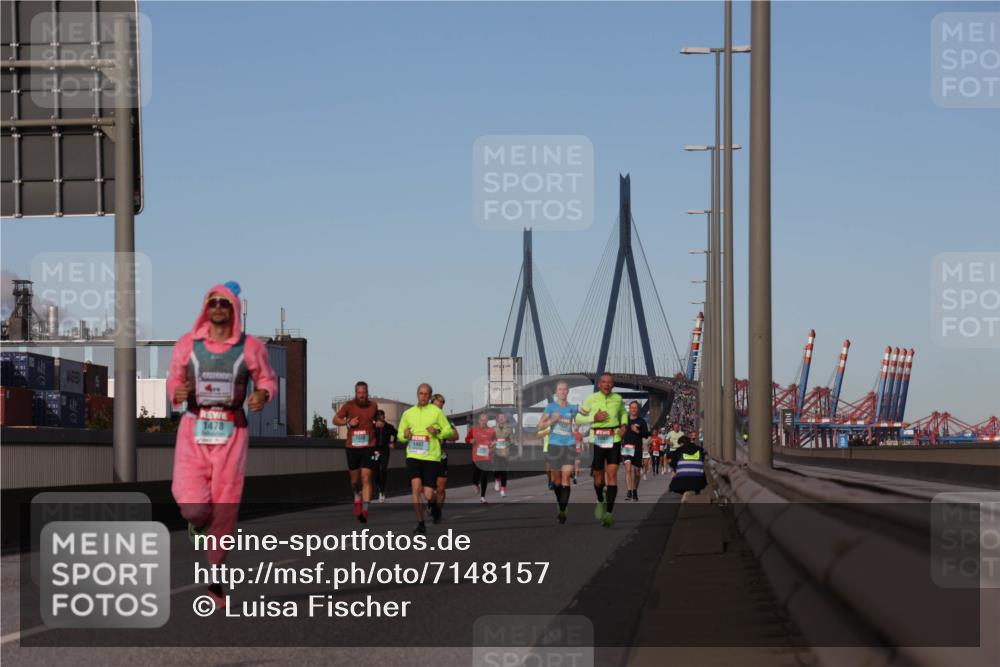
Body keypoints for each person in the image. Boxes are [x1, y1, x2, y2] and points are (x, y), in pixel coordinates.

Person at [168, 281, 277, 608]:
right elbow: (174, 379)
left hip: (232, 431)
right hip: (194, 427)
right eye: (213, 302)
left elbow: (268, 380)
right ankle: (196, 520)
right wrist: (177, 392)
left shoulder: (251, 347)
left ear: (234, 310)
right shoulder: (187, 344)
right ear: (206, 307)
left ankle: (215, 575)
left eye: (224, 303)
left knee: (226, 506)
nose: (218, 307)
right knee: (192, 504)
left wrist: (263, 395)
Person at [397, 384, 454, 534]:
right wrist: (405, 435)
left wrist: (437, 432)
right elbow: (400, 435)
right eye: (420, 394)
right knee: (416, 488)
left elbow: (448, 431)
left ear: (430, 396)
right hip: (413, 455)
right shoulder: (408, 413)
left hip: (431, 457)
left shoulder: (436, 412)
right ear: (417, 394)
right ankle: (420, 523)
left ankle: (435, 507)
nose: (422, 396)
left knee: (429, 494)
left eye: (426, 394)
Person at [575, 372, 628, 527]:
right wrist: (594, 418)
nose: (606, 384)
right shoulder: (591, 399)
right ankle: (599, 500)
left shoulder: (617, 399)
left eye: (609, 382)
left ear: (612, 384)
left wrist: (624, 425)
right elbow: (578, 418)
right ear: (599, 384)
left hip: (614, 439)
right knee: (598, 479)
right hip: (596, 439)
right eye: (603, 382)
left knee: (612, 476)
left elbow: (623, 413)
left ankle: (609, 513)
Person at [333, 381, 378, 523]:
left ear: (367, 392)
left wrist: (379, 423)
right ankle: (357, 497)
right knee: (354, 481)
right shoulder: (349, 406)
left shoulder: (373, 406)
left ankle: (365, 510)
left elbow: (376, 420)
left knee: (366, 477)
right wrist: (347, 423)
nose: (362, 395)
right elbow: (335, 420)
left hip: (369, 446)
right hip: (352, 447)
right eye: (359, 393)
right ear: (355, 393)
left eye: (364, 392)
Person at [537, 381, 578, 524]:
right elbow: (539, 426)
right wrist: (551, 421)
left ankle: (562, 510)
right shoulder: (550, 407)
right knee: (556, 481)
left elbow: (582, 420)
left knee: (566, 479)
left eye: (565, 389)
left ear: (568, 392)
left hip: (569, 445)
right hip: (554, 446)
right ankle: (560, 504)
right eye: (560, 389)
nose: (562, 392)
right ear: (556, 392)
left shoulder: (573, 408)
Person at [431, 394, 456, 520]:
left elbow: (455, 436)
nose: (440, 406)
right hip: (425, 457)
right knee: (427, 489)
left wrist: (440, 433)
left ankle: (437, 511)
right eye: (437, 403)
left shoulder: (445, 420)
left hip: (440, 456)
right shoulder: (421, 418)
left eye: (442, 404)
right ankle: (431, 503)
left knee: (440, 487)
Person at [620, 401, 649, 501]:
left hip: (637, 449)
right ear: (629, 408)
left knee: (636, 472)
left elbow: (646, 434)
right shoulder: (625, 421)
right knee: (628, 470)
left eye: (635, 408)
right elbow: (620, 433)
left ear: (638, 409)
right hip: (627, 447)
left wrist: (638, 431)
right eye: (631, 407)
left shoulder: (642, 421)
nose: (633, 409)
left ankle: (635, 490)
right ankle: (629, 492)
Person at [465, 412, 496, 503]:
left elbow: (495, 441)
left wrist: (493, 446)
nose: (483, 422)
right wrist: (471, 440)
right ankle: (475, 483)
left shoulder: (491, 431)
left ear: (487, 421)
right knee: (476, 476)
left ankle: (482, 497)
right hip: (476, 457)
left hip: (487, 457)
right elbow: (467, 439)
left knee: (484, 476)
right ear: (479, 421)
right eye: (482, 420)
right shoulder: (473, 430)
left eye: (485, 420)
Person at [668, 434, 708, 502]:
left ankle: (686, 492)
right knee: (699, 473)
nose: (680, 446)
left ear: (682, 443)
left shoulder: (679, 450)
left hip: (682, 481)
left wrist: (675, 469)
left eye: (680, 444)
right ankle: (695, 491)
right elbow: (704, 457)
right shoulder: (699, 449)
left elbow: (673, 464)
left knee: (673, 485)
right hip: (699, 481)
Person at [372, 409, 397, 503]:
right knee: (376, 469)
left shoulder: (389, 427)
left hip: (385, 450)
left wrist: (392, 442)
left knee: (383, 469)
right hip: (375, 451)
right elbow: (368, 435)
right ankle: (379, 487)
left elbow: (395, 434)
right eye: (378, 417)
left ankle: (382, 490)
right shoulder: (373, 427)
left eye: (382, 417)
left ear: (384, 417)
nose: (380, 419)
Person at [493, 412, 514, 497]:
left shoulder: (509, 429)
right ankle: (497, 480)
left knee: (504, 471)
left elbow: (512, 440)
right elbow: (489, 439)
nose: (501, 418)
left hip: (505, 452)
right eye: (500, 417)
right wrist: (493, 442)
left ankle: (503, 490)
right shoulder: (493, 429)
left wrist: (508, 442)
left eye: (503, 417)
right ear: (497, 419)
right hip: (496, 451)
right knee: (497, 470)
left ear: (505, 419)